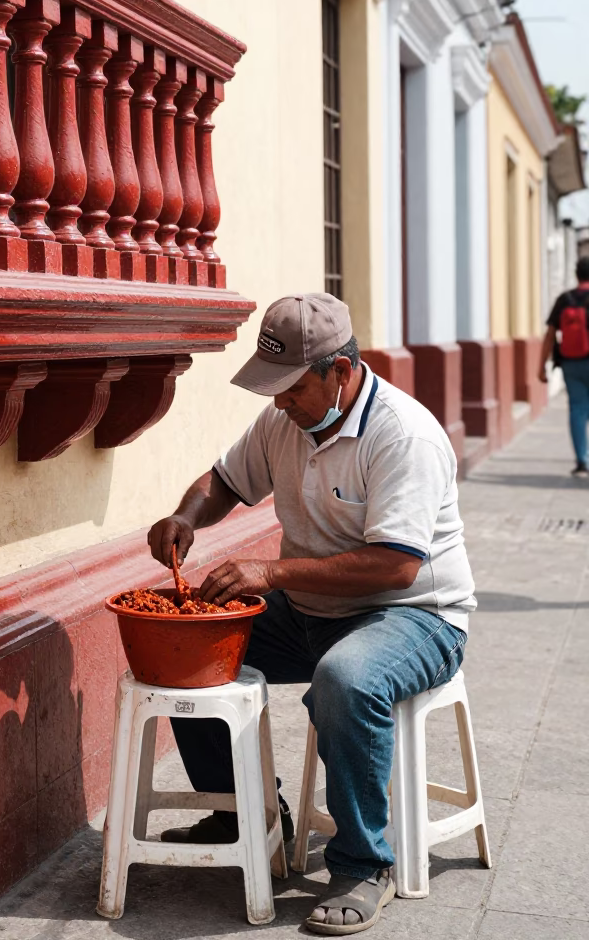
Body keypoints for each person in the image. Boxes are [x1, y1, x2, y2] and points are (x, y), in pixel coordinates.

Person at [147, 293, 476, 936]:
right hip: (310, 609)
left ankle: (362, 866)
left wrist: (270, 573)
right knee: (187, 643)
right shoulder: (286, 423)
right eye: (274, 389)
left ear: (341, 372)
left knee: (345, 679)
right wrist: (185, 516)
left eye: (293, 388)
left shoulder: (402, 435)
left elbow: (395, 566)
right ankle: (242, 813)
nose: (280, 403)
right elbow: (224, 481)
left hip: (415, 616)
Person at [538, 256, 589, 477]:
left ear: (577, 275)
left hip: (571, 362)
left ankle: (582, 461)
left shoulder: (564, 299)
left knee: (577, 409)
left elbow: (550, 335)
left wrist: (541, 366)